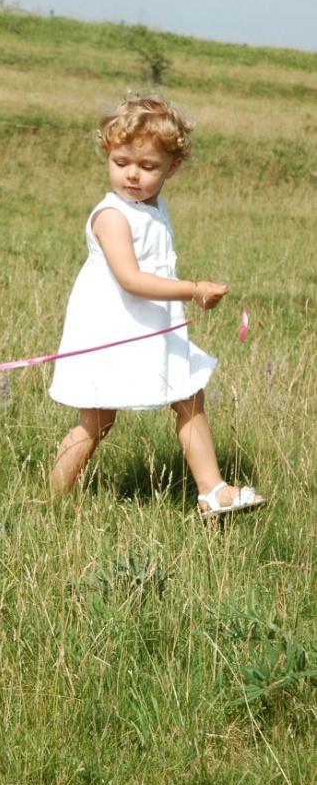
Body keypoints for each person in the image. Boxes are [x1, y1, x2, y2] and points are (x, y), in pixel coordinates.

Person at [49, 95, 265, 518]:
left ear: (172, 167)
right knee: (97, 421)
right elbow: (130, 279)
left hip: (152, 324)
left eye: (147, 167)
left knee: (188, 395)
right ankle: (50, 501)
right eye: (121, 161)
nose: (132, 174)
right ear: (107, 154)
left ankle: (213, 491)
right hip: (112, 330)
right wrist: (193, 289)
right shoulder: (112, 216)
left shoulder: (152, 205)